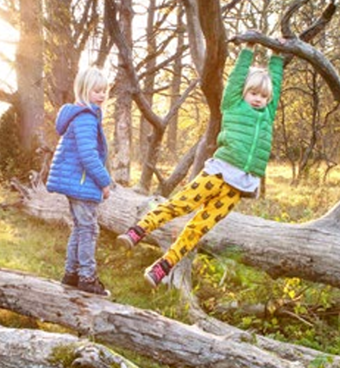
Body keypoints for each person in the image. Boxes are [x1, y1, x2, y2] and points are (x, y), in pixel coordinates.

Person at [119, 36, 286, 287]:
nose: (258, 99)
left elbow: (277, 83)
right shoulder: (233, 105)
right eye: (253, 92)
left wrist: (277, 55)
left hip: (238, 188)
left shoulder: (267, 114)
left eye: (263, 96)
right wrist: (248, 49)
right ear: (243, 92)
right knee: (180, 205)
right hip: (218, 175)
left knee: (198, 228)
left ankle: (162, 267)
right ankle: (139, 230)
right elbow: (237, 78)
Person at [46, 66, 112, 296]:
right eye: (97, 91)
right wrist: (104, 182)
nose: (102, 95)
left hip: (75, 182)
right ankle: (87, 277)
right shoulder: (86, 118)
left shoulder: (79, 114)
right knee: (89, 229)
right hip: (82, 183)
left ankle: (71, 273)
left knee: (80, 227)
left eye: (104, 90)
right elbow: (88, 155)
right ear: (84, 90)